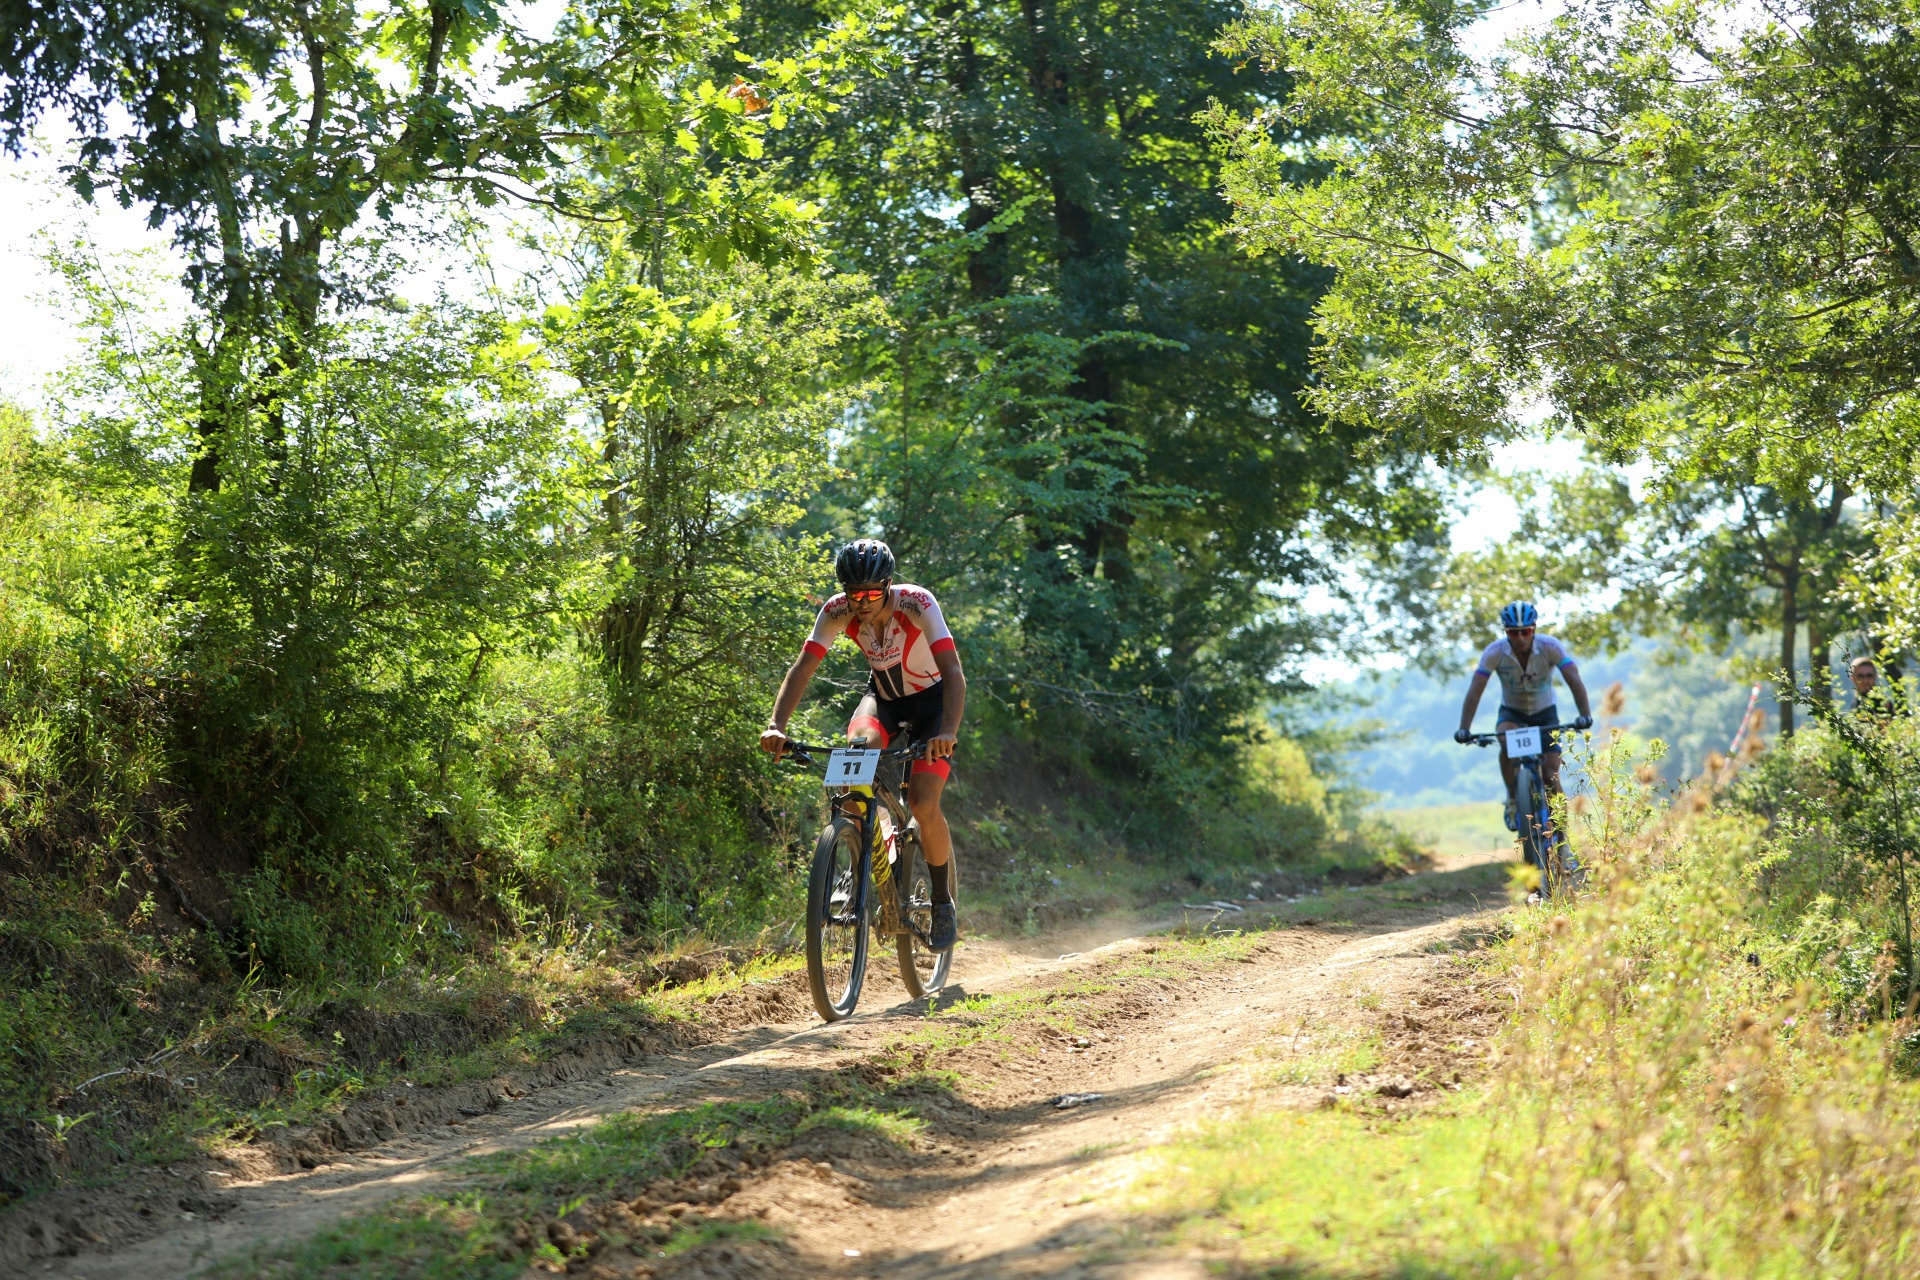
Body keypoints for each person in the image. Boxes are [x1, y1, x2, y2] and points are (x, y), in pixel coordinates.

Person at [760, 539, 965, 952]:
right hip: (884, 700)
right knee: (855, 754)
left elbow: (954, 671)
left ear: (888, 586)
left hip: (932, 708)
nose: (862, 601)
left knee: (924, 803)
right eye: (855, 593)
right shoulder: (837, 610)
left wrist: (946, 733)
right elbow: (803, 668)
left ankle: (943, 902)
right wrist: (776, 725)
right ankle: (867, 844)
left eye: (872, 592)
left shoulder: (918, 603)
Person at [1452, 602, 1594, 834]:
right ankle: (1513, 799)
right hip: (1513, 711)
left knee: (1550, 774)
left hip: (1545, 712)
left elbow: (1573, 679)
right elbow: (1476, 688)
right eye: (1513, 633)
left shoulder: (1550, 647)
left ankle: (1562, 836)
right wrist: (1464, 728)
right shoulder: (1494, 652)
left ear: (1534, 629)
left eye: (1525, 631)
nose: (1519, 638)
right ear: (1505, 632)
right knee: (1506, 742)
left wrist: (1585, 715)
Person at [1849, 655, 1903, 722]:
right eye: (1860, 676)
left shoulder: (1883, 703)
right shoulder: (1855, 703)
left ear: (1875, 677)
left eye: (1869, 675)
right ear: (1853, 678)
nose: (1865, 680)